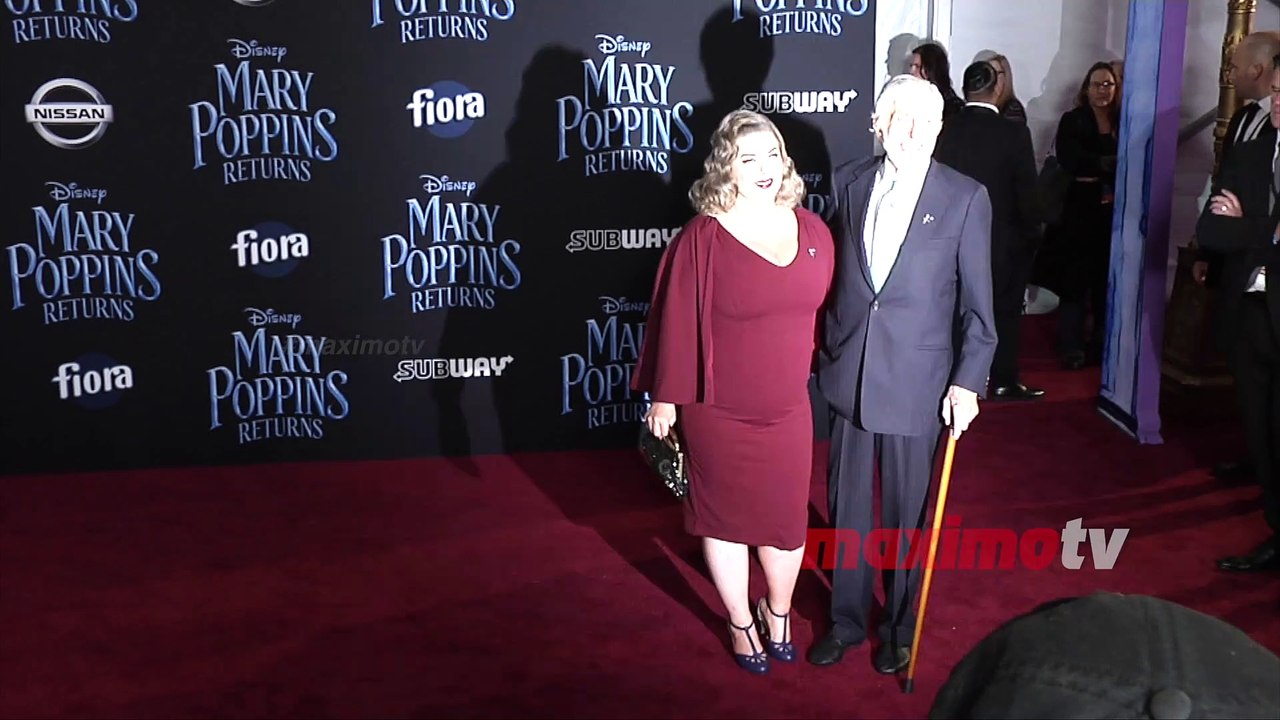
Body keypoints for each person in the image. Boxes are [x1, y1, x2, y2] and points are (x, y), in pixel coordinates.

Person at [631, 109, 836, 673]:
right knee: (722, 521)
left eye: (771, 154)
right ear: (728, 167)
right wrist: (665, 398)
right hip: (717, 410)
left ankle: (779, 611)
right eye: (749, 159)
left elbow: (826, 318)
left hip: (788, 409)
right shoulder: (702, 238)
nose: (764, 168)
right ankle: (740, 621)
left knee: (786, 523)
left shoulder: (813, 230)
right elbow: (673, 320)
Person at [808, 75, 997, 673]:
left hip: (920, 383)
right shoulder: (848, 181)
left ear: (940, 128)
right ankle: (845, 619)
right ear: (877, 121)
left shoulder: (967, 197)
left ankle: (900, 626)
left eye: (922, 120)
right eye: (897, 116)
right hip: (848, 375)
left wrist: (968, 381)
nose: (909, 131)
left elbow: (978, 307)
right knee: (847, 511)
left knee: (906, 516)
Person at [1195, 52, 1280, 573]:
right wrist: (1266, 232)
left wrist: (1252, 230)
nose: (1277, 101)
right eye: (1277, 90)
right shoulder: (1251, 152)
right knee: (1260, 427)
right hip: (1250, 313)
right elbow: (1212, 229)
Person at [935, 61, 1043, 400]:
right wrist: (1031, 238)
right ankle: (1001, 379)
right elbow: (1027, 193)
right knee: (1004, 313)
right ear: (997, 88)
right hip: (1001, 244)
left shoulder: (944, 129)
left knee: (952, 310)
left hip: (948, 241)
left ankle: (953, 377)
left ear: (966, 88)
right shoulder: (1013, 133)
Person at [1050, 61, 1120, 369]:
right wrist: (1108, 163)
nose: (1102, 91)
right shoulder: (1073, 120)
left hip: (1114, 214)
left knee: (1106, 282)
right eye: (1097, 84)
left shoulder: (1124, 120)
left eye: (1108, 84)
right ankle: (1072, 347)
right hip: (1080, 211)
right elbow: (1071, 159)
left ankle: (1101, 346)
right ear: (1086, 89)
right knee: (1075, 283)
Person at [910, 42, 965, 123]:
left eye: (917, 66)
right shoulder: (908, 99)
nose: (911, 72)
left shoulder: (953, 107)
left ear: (931, 68)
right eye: (911, 66)